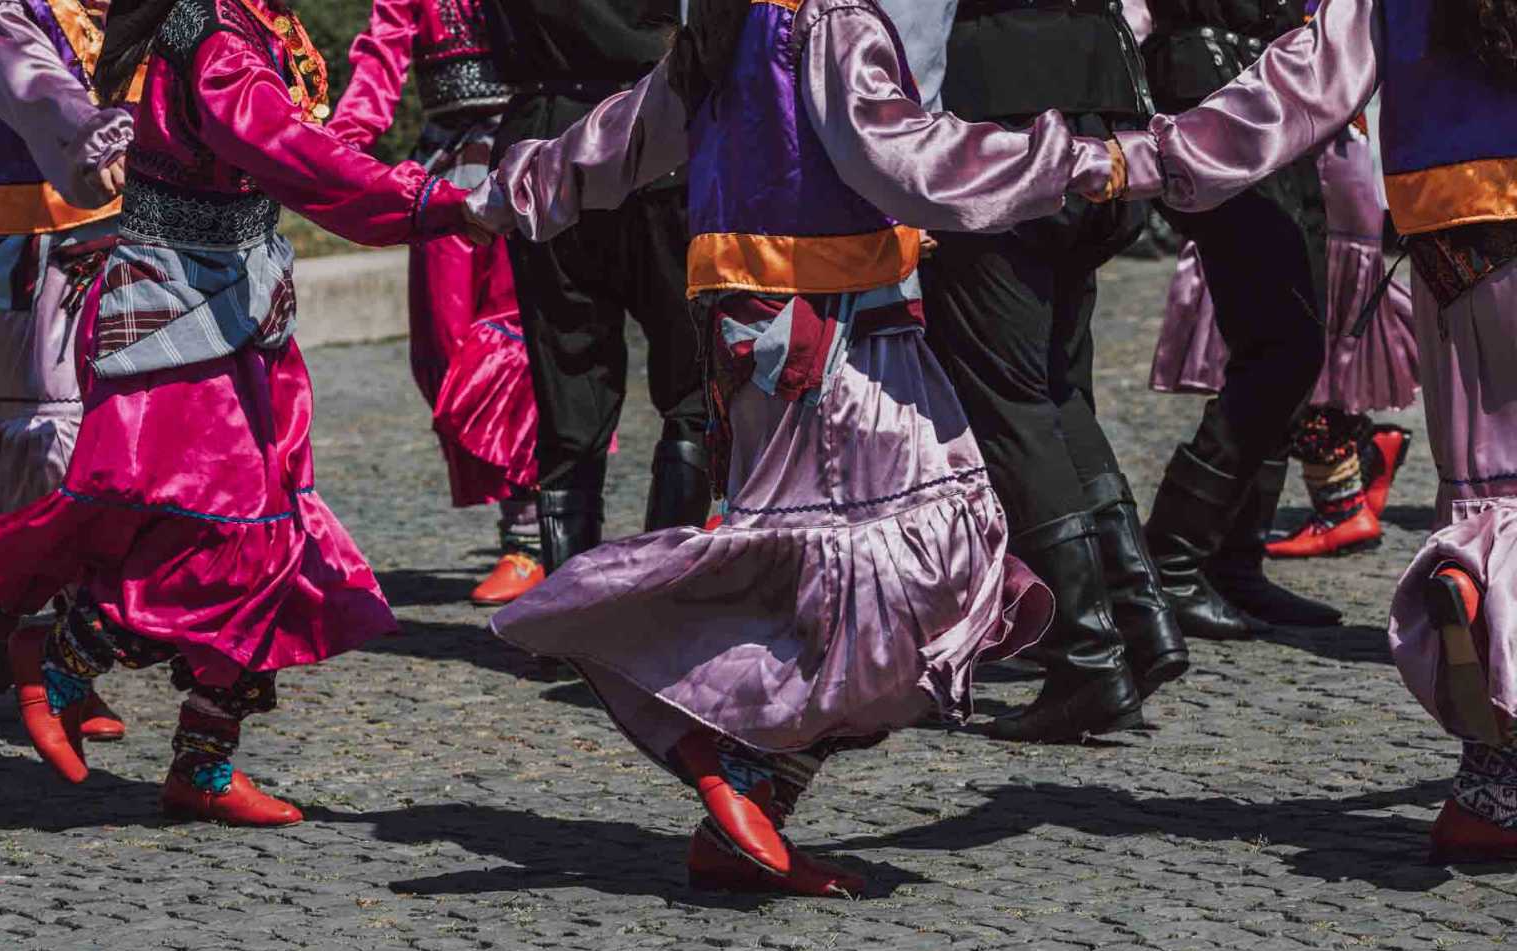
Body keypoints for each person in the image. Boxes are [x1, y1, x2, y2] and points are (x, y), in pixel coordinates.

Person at [467, 0, 1137, 896]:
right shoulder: (820, 19)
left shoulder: (738, 16)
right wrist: (1089, 161)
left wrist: (509, 191)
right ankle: (716, 739)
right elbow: (913, 161)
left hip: (788, 333)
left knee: (858, 578)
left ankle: (752, 799)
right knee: (908, 577)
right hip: (829, 337)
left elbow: (630, 132)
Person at [0, 0, 485, 825]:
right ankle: (59, 649)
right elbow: (285, 149)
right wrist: (432, 203)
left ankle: (201, 759)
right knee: (213, 525)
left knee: (269, 534)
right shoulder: (206, 27)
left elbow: (313, 145)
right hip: (173, 314)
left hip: (245, 298)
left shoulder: (255, 20)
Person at [1102, 0, 1517, 861]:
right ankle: (1492, 774)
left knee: (1494, 487)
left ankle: (1491, 764)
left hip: (1462, 240)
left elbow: (1298, 84)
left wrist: (1143, 156)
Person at [916, 0, 1186, 744]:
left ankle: (1089, 656)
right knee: (1053, 391)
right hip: (1100, 114)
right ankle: (1136, 622)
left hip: (996, 124)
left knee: (1010, 401)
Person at [0, 0, 132, 741]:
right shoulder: (10, 11)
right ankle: (4, 602)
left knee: (121, 453)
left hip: (137, 260)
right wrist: (100, 137)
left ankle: (66, 661)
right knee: (51, 445)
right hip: (43, 269)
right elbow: (42, 93)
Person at [1131, 0, 1343, 640]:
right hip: (1213, 76)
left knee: (1296, 339)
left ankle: (1231, 558)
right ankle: (1172, 558)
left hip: (1272, 74)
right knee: (1281, 341)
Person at [483, 0, 712, 581]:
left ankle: (572, 604)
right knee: (691, 384)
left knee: (569, 381)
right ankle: (661, 598)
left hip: (550, 136)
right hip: (655, 131)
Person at [326, 0, 545, 606]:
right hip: (445, 169)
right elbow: (380, 59)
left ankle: (536, 535)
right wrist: (339, 149)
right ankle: (534, 525)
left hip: (530, 155)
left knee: (521, 343)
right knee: (448, 346)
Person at [1150, 116, 1419, 558]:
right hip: (1315, 159)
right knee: (1306, 347)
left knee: (1300, 348)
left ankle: (1343, 502)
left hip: (1308, 164)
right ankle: (1358, 464)